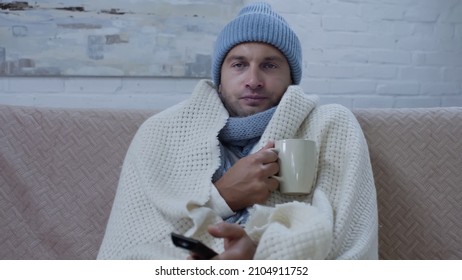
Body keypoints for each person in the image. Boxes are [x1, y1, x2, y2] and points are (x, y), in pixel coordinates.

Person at [97, 2, 378, 260]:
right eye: (239, 65)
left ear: (292, 78)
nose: (253, 80)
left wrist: (262, 255)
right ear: (220, 78)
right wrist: (222, 198)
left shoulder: (330, 126)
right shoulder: (160, 133)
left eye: (269, 65)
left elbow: (354, 246)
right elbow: (128, 248)